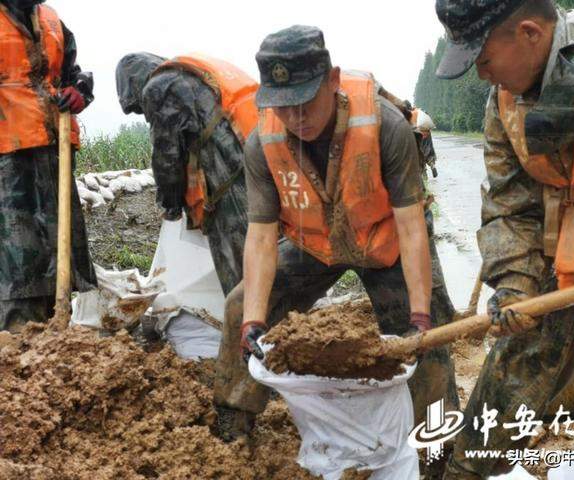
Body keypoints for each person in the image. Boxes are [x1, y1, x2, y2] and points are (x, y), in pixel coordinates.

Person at [213, 25, 459, 449]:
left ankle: (439, 442)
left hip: (386, 244)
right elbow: (260, 236)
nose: (295, 118)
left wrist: (419, 316)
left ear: (332, 79)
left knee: (428, 335)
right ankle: (233, 423)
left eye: (305, 103)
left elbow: (412, 227)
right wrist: (255, 319)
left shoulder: (384, 126)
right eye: (283, 107)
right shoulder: (262, 142)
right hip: (315, 244)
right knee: (240, 306)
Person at [435, 0, 574, 477]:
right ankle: (465, 470)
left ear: (528, 32)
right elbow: (510, 203)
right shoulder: (504, 103)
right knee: (509, 380)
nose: (483, 76)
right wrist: (515, 288)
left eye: (484, 60)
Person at [116, 53, 256, 295]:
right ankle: (289, 318)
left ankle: (255, 323)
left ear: (134, 84)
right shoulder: (189, 77)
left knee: (239, 263)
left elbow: (167, 157)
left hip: (232, 176)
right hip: (259, 161)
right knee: (268, 246)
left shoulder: (158, 88)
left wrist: (170, 206)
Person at [0, 0, 96, 331]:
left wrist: (81, 87)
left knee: (60, 247)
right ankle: (18, 338)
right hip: (7, 155)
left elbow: (71, 72)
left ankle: (60, 331)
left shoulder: (53, 21)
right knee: (16, 256)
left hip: (53, 148)